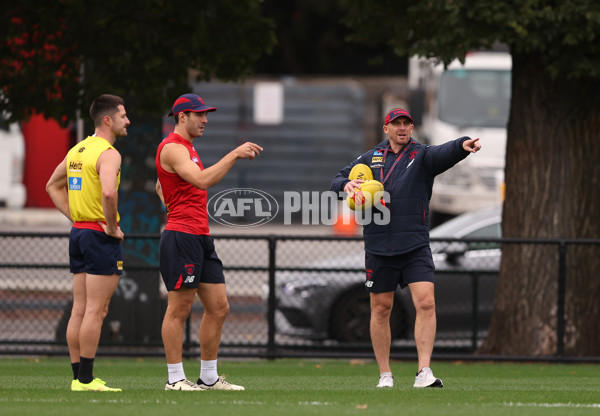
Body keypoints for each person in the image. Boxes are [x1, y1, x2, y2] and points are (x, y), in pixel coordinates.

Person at [331, 108, 481, 389]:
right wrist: (346, 184)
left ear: (412, 128)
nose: (402, 128)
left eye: (407, 124)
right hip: (379, 245)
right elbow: (337, 181)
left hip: (414, 245)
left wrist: (462, 145)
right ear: (385, 128)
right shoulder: (370, 158)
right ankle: (385, 375)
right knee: (381, 308)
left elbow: (444, 152)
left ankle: (424, 371)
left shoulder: (422, 155)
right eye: (396, 123)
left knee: (426, 302)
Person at [155, 93, 262, 391]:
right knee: (179, 310)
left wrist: (169, 199)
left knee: (219, 307)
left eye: (206, 114)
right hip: (182, 237)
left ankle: (209, 378)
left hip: (200, 236)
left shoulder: (187, 148)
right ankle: (175, 379)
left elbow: (159, 184)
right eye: (198, 114)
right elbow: (201, 180)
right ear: (181, 117)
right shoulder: (173, 147)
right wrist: (233, 154)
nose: (204, 120)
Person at [46, 94, 130, 392]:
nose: (127, 120)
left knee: (80, 309)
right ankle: (85, 380)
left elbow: (51, 186)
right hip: (98, 236)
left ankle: (77, 377)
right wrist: (110, 227)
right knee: (96, 310)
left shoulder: (77, 150)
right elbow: (109, 193)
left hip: (80, 233)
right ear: (108, 120)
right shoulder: (108, 153)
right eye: (123, 116)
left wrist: (76, 217)